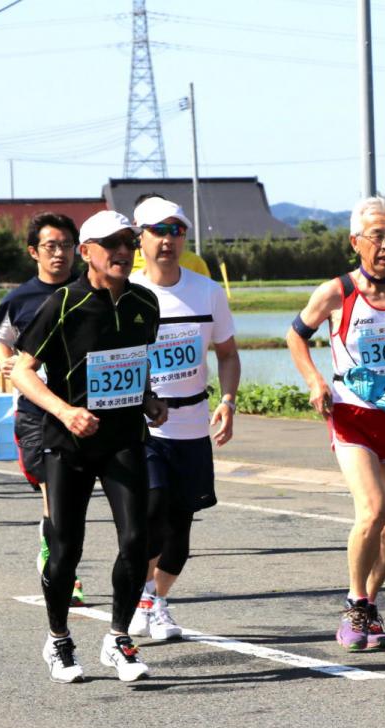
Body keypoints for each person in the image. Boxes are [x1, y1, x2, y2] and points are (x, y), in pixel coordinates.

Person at [12, 210, 167, 683]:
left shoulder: (145, 303)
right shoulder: (64, 303)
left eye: (128, 241)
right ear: (87, 252)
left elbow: (131, 366)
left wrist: (148, 399)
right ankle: (58, 640)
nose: (123, 251)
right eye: (111, 244)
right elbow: (20, 371)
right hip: (68, 442)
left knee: (137, 540)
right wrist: (65, 412)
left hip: (123, 440)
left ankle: (119, 639)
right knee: (65, 550)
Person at [287, 196, 385, 652]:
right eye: (377, 235)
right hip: (352, 416)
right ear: (356, 241)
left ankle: (369, 605)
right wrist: (315, 379)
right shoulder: (337, 291)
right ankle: (354, 602)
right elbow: (295, 335)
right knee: (372, 511)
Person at [126, 197, 240, 641]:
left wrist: (228, 401)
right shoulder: (129, 294)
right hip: (146, 428)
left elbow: (228, 355)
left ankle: (154, 599)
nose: (168, 240)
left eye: (176, 231)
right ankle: (143, 598)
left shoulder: (207, 291)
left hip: (193, 427)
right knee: (152, 511)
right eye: (158, 231)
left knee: (179, 533)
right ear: (140, 238)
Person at [0, 212, 85, 604]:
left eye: (66, 245)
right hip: (36, 410)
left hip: (81, 409)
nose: (59, 253)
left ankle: (57, 549)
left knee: (71, 497)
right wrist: (6, 361)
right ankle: (61, 564)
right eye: (50, 246)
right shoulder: (21, 297)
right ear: (34, 252)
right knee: (54, 491)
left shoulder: (88, 291)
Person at [130, 193, 212, 278]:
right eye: (159, 229)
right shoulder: (126, 262)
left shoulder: (195, 263)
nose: (167, 239)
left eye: (176, 230)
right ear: (138, 228)